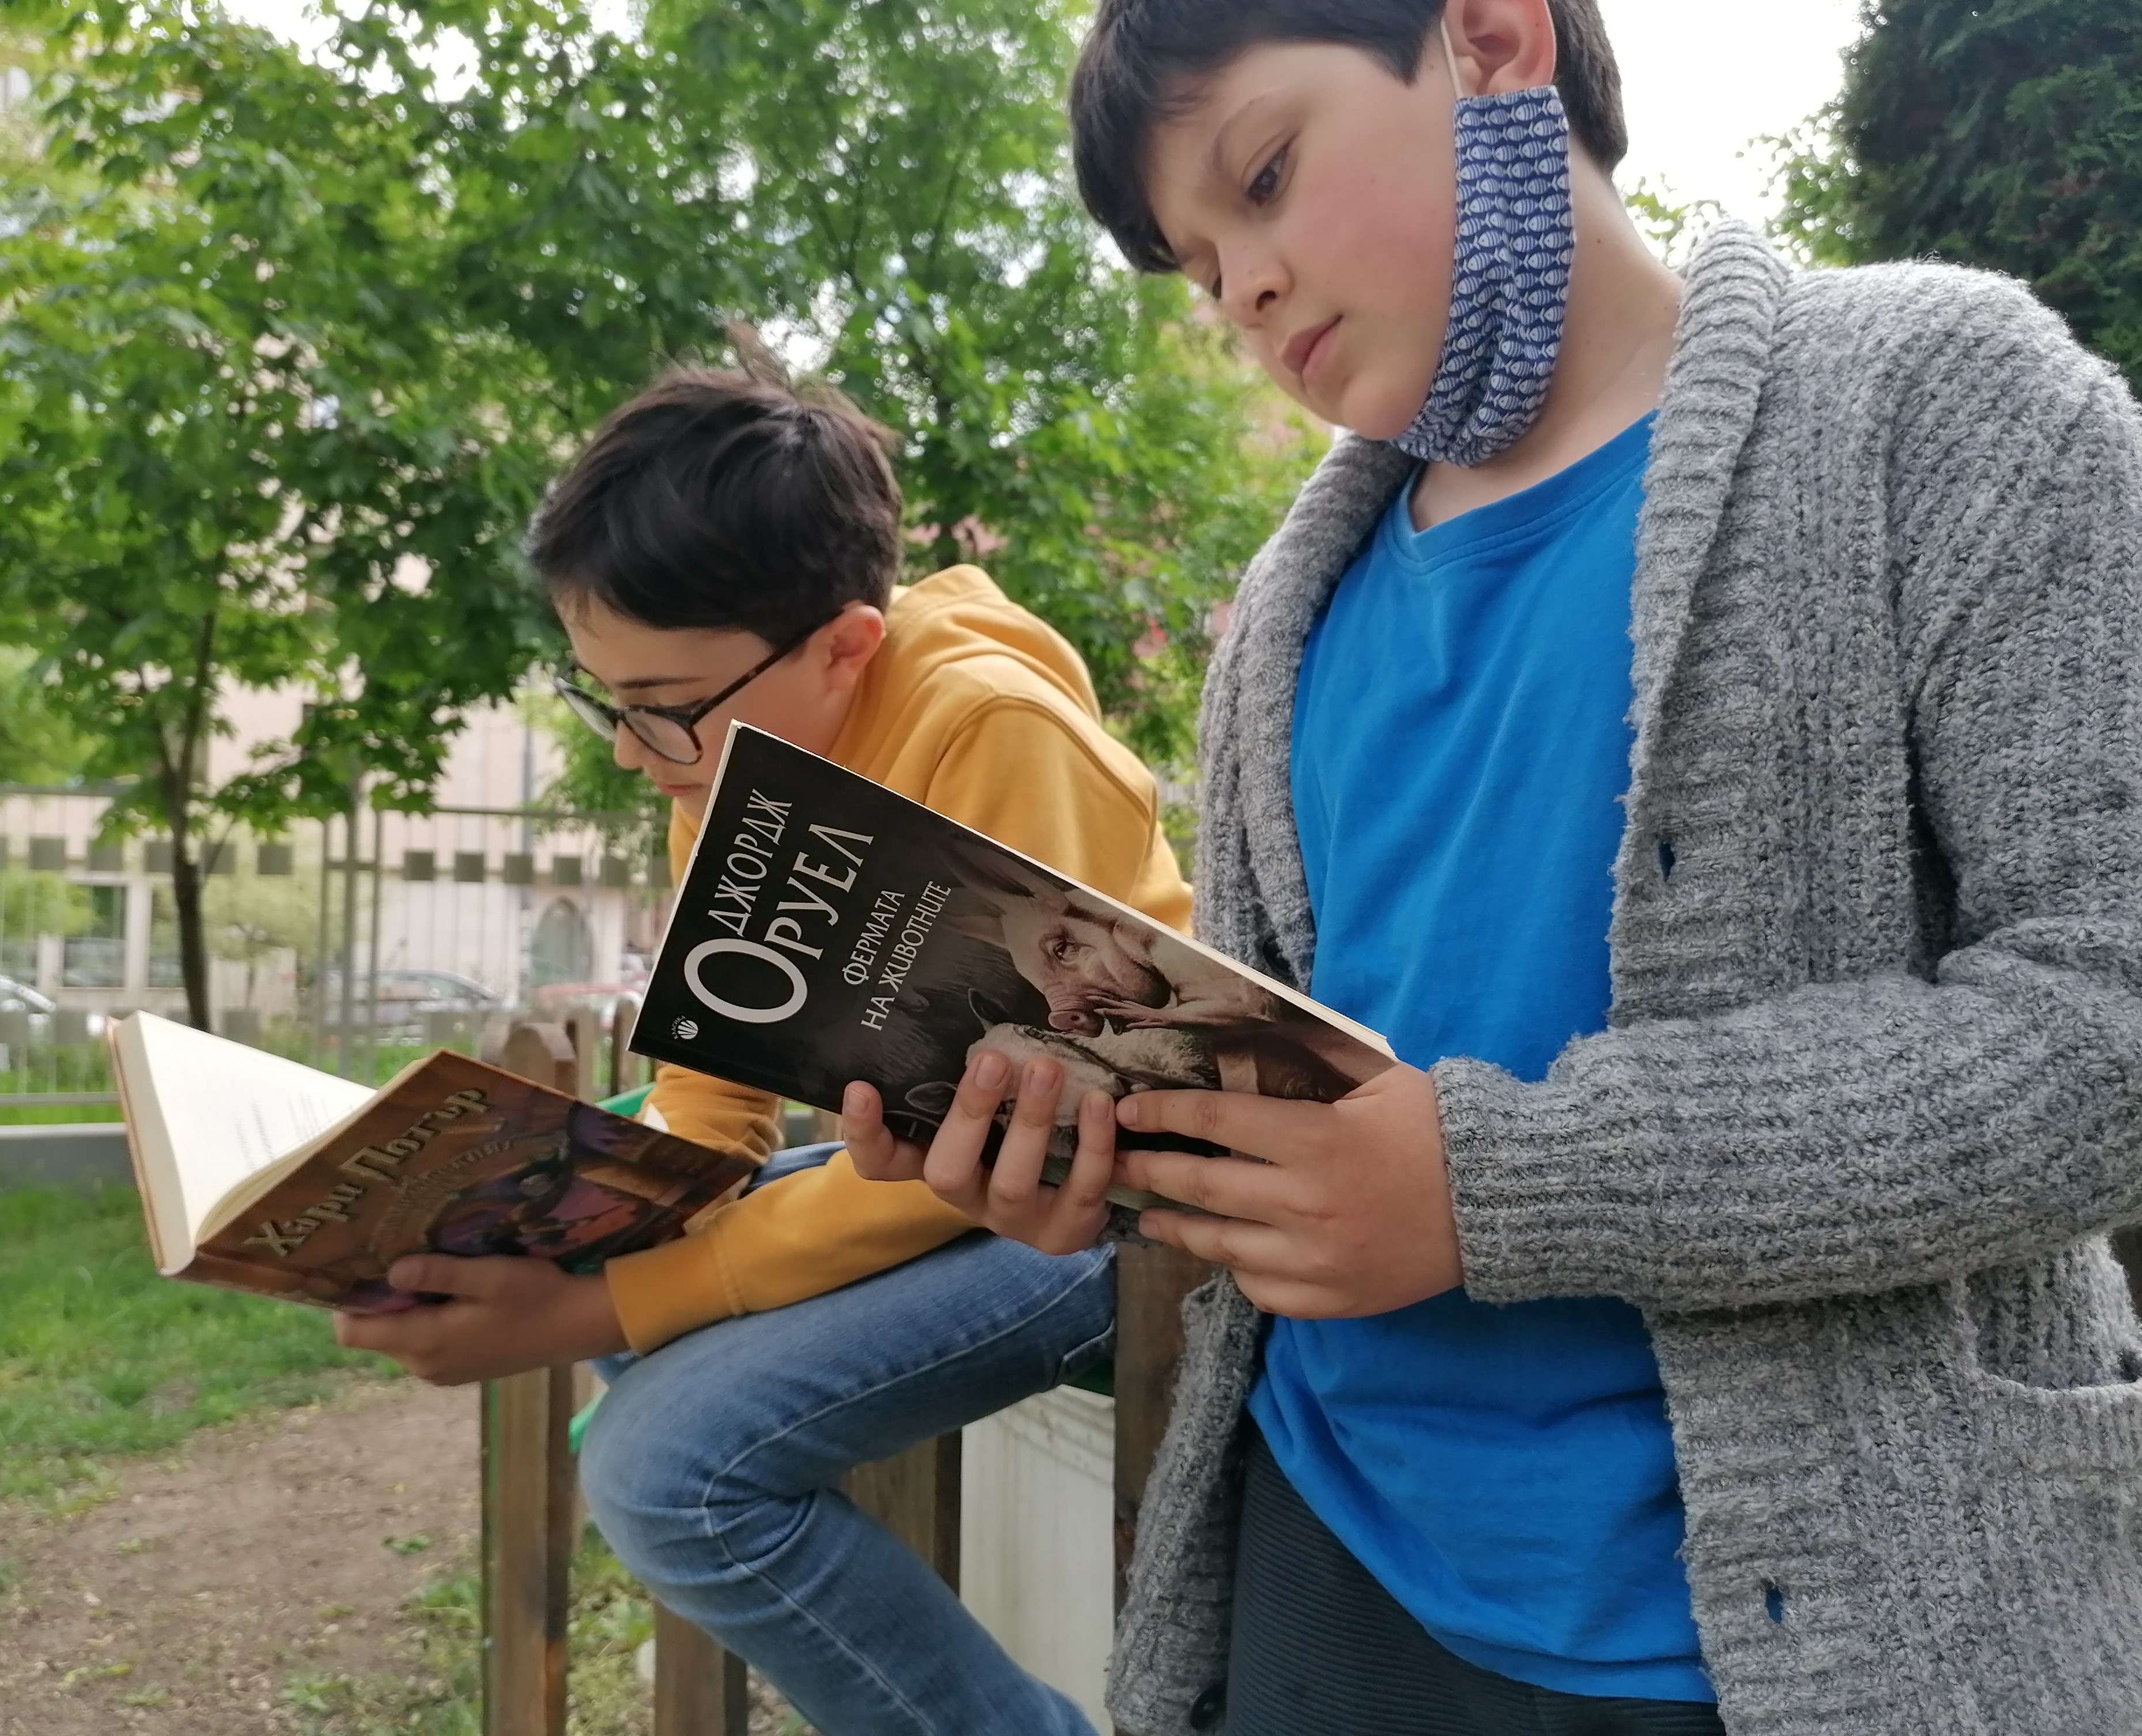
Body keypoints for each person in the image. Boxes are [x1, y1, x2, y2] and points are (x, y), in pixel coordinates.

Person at [844, 1, 2142, 1732]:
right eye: (1198, 266)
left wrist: (1492, 1186)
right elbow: (1281, 1099)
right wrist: (1090, 1149)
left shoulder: (1942, 405)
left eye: (1264, 176)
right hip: (1322, 1564)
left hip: (1798, 1642)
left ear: (1493, 39)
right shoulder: (1281, 624)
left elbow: (2107, 1019)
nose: (1240, 291)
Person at [338, 343, 1192, 1736]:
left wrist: (598, 1311)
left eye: (659, 707)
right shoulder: (724, 759)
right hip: (939, 1179)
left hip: (1109, 1209)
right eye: (603, 699)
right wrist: (571, 1212)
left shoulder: (994, 732)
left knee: (662, 1479)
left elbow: (1009, 1142)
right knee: (615, 1301)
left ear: (843, 646)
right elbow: (713, 1099)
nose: (630, 752)